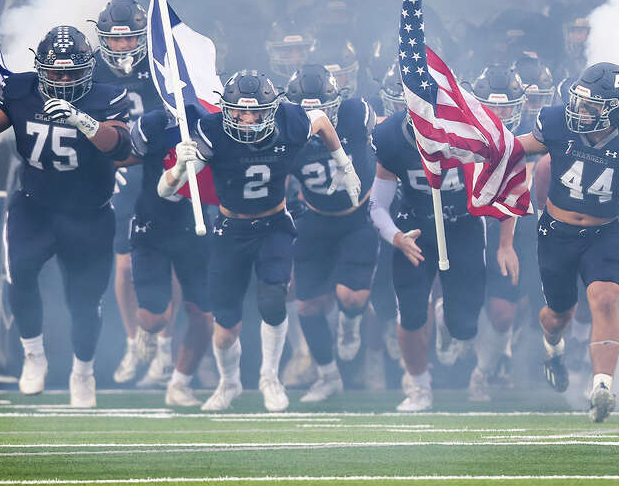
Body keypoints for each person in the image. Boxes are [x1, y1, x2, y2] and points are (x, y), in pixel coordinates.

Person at [0, 26, 133, 407]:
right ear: (40, 68)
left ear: (89, 68)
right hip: (36, 206)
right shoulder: (20, 89)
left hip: (88, 213)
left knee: (84, 300)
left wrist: (84, 121)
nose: (63, 80)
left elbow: (121, 146)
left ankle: (83, 370)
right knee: (22, 274)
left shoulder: (107, 97)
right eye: (56, 72)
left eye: (71, 72)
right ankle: (33, 355)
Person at [160, 70, 361, 412]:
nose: (248, 118)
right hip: (230, 230)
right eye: (240, 111)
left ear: (272, 108)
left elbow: (323, 119)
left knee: (272, 299)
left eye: (256, 111)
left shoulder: (290, 121)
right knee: (225, 329)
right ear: (227, 109)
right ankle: (230, 382)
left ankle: (270, 376)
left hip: (273, 224)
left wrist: (344, 162)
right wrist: (179, 167)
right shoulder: (212, 132)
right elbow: (164, 191)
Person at [515, 62, 619, 423]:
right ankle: (552, 346)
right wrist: (467, 150)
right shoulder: (557, 122)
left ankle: (602, 387)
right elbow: (514, 149)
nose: (580, 110)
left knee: (605, 301)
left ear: (615, 110)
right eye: (579, 101)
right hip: (556, 233)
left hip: (604, 233)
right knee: (559, 316)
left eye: (591, 105)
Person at [368, 67, 507, 412]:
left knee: (464, 327)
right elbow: (376, 205)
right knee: (411, 313)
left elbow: (508, 187)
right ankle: (418, 387)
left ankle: (448, 317)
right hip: (414, 230)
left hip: (464, 228)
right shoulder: (391, 136)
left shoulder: (475, 130)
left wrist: (505, 242)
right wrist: (396, 237)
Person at [89, 0, 175, 388]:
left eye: (130, 39)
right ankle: (134, 341)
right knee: (124, 266)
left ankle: (166, 346)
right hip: (117, 175)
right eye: (116, 40)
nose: (123, 46)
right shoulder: (90, 69)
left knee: (164, 259)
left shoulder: (161, 64)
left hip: (157, 169)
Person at [285, 64, 378, 403]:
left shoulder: (355, 112)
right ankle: (327, 375)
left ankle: (351, 322)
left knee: (351, 296)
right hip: (316, 217)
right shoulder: (285, 128)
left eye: (321, 109)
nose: (315, 117)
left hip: (357, 216)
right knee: (307, 305)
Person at [125, 108, 214, 406]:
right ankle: (147, 331)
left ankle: (180, 383)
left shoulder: (214, 123)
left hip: (195, 227)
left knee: (203, 315)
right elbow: (125, 154)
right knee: (153, 319)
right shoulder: (154, 123)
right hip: (153, 225)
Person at [467, 64, 527, 402]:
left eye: (507, 105)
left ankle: (484, 372)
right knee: (461, 308)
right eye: (493, 106)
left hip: (518, 231)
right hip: (470, 228)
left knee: (504, 311)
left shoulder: (534, 133)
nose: (501, 113)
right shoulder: (462, 136)